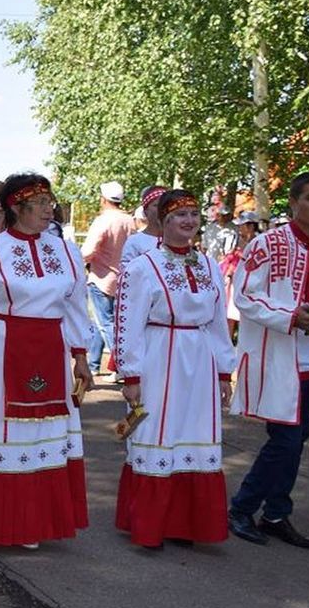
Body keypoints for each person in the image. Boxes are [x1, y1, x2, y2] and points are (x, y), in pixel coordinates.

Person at [0, 173, 92, 549]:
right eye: (42, 203)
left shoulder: (66, 251)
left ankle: (32, 524)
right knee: (1, 431)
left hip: (50, 348)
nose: (51, 209)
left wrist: (81, 356)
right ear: (18, 206)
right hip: (0, 350)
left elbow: (76, 307)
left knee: (42, 435)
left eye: (51, 202)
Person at [228, 171, 309, 548]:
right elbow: (246, 295)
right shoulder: (267, 244)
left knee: (296, 440)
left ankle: (275, 513)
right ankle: (242, 508)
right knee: (284, 441)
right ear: (293, 203)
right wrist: (290, 316)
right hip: (279, 357)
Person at [114, 190, 235, 548]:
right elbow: (128, 324)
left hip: (199, 358)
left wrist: (224, 371)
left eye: (194, 214)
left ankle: (186, 523)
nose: (188, 221)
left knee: (193, 434)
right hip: (160, 355)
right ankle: (151, 524)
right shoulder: (142, 267)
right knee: (156, 432)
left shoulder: (210, 265)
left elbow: (216, 323)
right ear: (162, 221)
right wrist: (131, 375)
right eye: (180, 215)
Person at [80, 181, 134, 378]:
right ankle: (94, 364)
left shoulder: (103, 220)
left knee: (106, 324)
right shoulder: (130, 221)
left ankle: (122, 367)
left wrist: (76, 262)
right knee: (102, 322)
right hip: (123, 278)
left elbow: (88, 250)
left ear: (103, 199)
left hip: (101, 277)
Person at [220, 211, 261, 337]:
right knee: (230, 314)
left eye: (242, 226)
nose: (239, 229)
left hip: (253, 287)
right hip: (236, 284)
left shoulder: (260, 243)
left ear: (250, 226)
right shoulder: (237, 241)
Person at [119, 185, 168, 271]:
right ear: (146, 211)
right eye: (156, 205)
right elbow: (126, 274)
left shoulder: (178, 240)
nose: (161, 209)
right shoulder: (135, 242)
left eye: (165, 205)